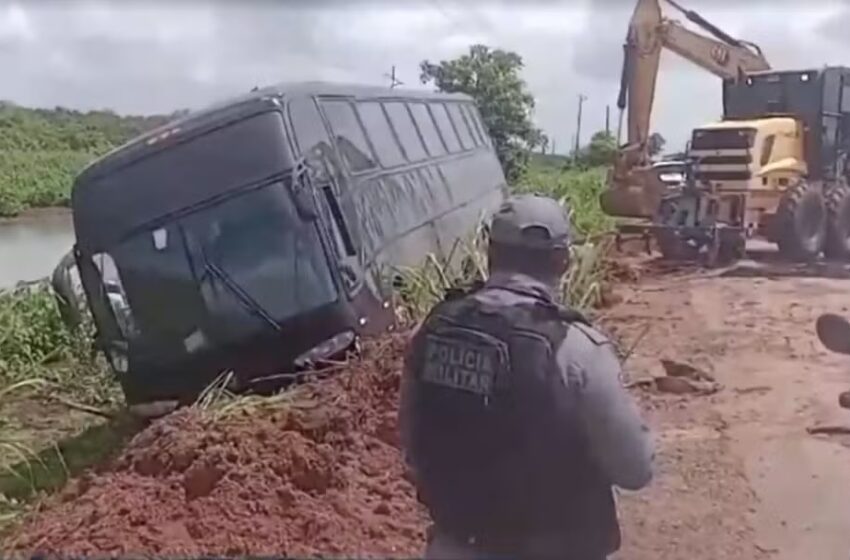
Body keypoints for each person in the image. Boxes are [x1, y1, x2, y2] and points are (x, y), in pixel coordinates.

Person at [399, 194, 655, 560]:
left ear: (490, 254)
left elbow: (413, 441)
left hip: (454, 546)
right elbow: (635, 469)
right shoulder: (576, 349)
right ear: (562, 261)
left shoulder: (434, 331)